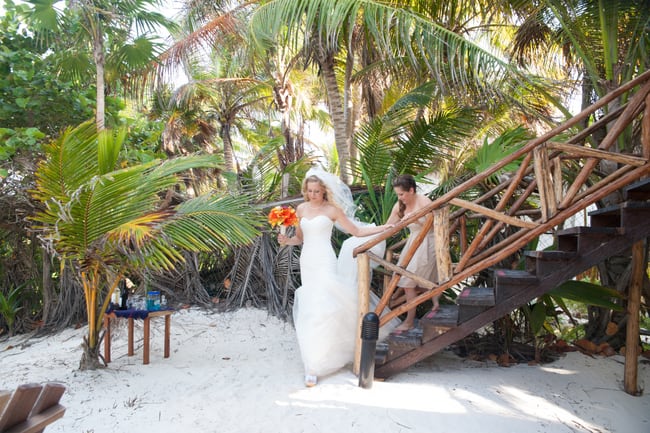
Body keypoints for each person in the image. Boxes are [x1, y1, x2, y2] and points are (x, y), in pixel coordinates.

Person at [278, 168, 393, 387]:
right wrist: (286, 240)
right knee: (312, 309)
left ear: (324, 191)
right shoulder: (300, 209)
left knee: (325, 308)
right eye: (310, 191)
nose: (313, 195)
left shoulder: (332, 210)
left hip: (325, 261)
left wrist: (383, 228)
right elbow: (299, 239)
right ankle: (313, 359)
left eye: (317, 191)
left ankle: (314, 367)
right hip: (307, 261)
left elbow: (357, 232)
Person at [385, 174, 438, 331]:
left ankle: (409, 321)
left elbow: (433, 225)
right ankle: (435, 300)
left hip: (428, 241)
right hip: (413, 242)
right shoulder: (399, 206)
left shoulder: (424, 201)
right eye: (397, 195)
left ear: (412, 190)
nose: (400, 198)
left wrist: (416, 220)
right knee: (408, 280)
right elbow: (388, 226)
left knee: (409, 281)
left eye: (402, 194)